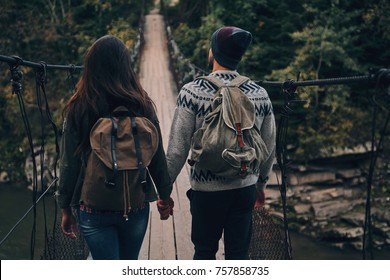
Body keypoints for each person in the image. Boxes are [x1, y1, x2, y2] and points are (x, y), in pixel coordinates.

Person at [56, 35, 174, 260]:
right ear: (126, 66)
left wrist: (65, 208)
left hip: (93, 208)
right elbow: (157, 154)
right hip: (136, 206)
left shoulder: (80, 106)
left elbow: (68, 163)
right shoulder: (142, 103)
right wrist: (165, 195)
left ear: (90, 67)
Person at [166, 26, 276, 260]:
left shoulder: (192, 92)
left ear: (213, 52)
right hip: (244, 186)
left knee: (204, 253)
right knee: (238, 256)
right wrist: (261, 185)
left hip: (207, 192)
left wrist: (164, 192)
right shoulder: (259, 93)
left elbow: (177, 150)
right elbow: (268, 146)